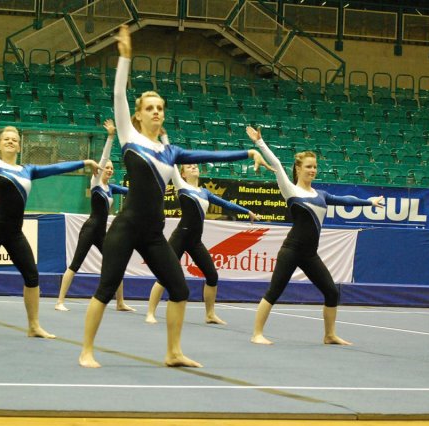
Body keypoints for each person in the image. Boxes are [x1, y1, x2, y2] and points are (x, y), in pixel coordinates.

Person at [78, 25, 272, 368]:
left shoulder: (171, 152)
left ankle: (173, 352)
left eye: (160, 108)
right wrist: (124, 58)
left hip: (154, 231)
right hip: (127, 226)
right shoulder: (129, 137)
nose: (156, 112)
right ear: (138, 115)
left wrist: (247, 153)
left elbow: (206, 154)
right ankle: (86, 350)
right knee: (106, 289)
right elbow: (119, 97)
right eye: (150, 108)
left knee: (180, 290)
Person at [0, 83, 101, 339]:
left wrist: (85, 161)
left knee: (32, 276)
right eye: (6, 139)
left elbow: (57, 167)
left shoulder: (28, 170)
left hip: (14, 232)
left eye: (15, 140)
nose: (11, 142)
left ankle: (34, 325)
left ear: (19, 146)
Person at [245, 126, 384, 345]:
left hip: (310, 255)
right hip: (291, 251)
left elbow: (345, 199)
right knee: (274, 291)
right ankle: (257, 334)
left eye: (315, 167)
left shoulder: (321, 195)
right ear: (298, 169)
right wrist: (260, 143)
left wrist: (369, 202)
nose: (313, 170)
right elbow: (277, 165)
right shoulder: (291, 191)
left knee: (331, 292)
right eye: (308, 166)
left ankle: (329, 335)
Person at [145, 163, 260, 325]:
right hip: (180, 237)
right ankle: (150, 313)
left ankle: (210, 314)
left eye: (195, 165)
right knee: (165, 276)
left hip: (195, 241)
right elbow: (171, 165)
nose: (193, 167)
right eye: (189, 167)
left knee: (212, 276)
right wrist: (164, 141)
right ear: (183, 174)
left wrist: (247, 211)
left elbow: (225, 204)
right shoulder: (181, 186)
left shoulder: (205, 192)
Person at [55, 119, 134, 312]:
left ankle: (120, 302)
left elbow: (130, 191)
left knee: (116, 263)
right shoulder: (96, 182)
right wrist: (110, 137)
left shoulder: (110, 188)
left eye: (111, 170)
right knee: (75, 264)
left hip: (101, 232)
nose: (108, 170)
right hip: (90, 228)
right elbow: (105, 159)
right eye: (106, 168)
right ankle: (60, 301)